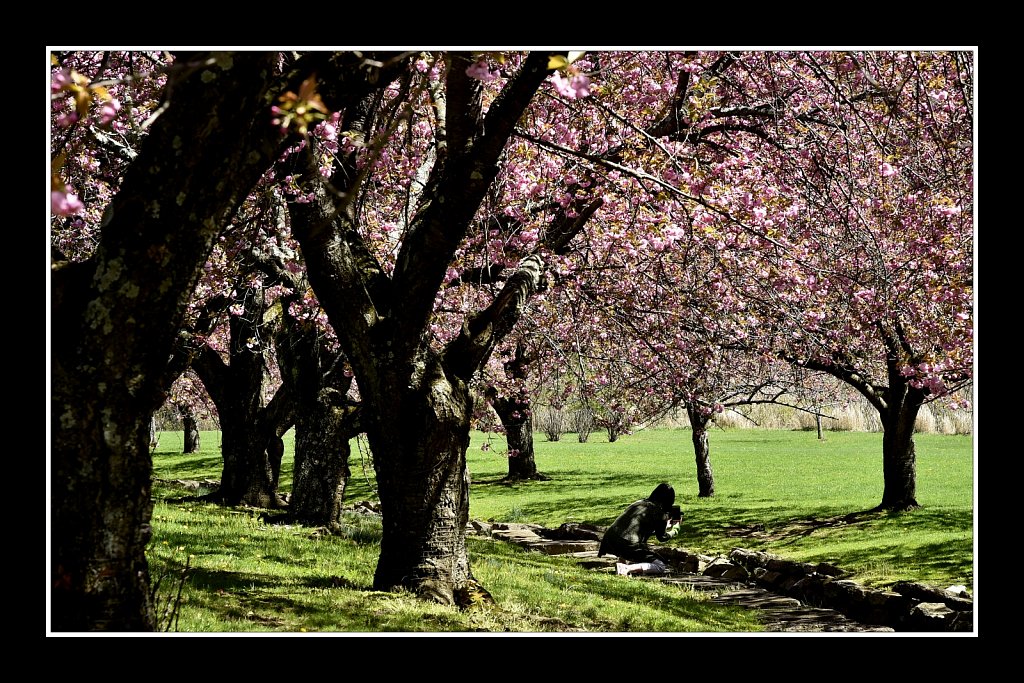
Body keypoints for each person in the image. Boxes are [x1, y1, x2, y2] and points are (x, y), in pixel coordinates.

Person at [598, 482, 681, 576]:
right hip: (626, 543)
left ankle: (622, 563)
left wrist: (666, 525)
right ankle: (625, 568)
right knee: (660, 565)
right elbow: (662, 537)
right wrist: (675, 529)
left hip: (610, 538)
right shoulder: (659, 513)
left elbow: (640, 528)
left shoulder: (640, 503)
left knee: (631, 546)